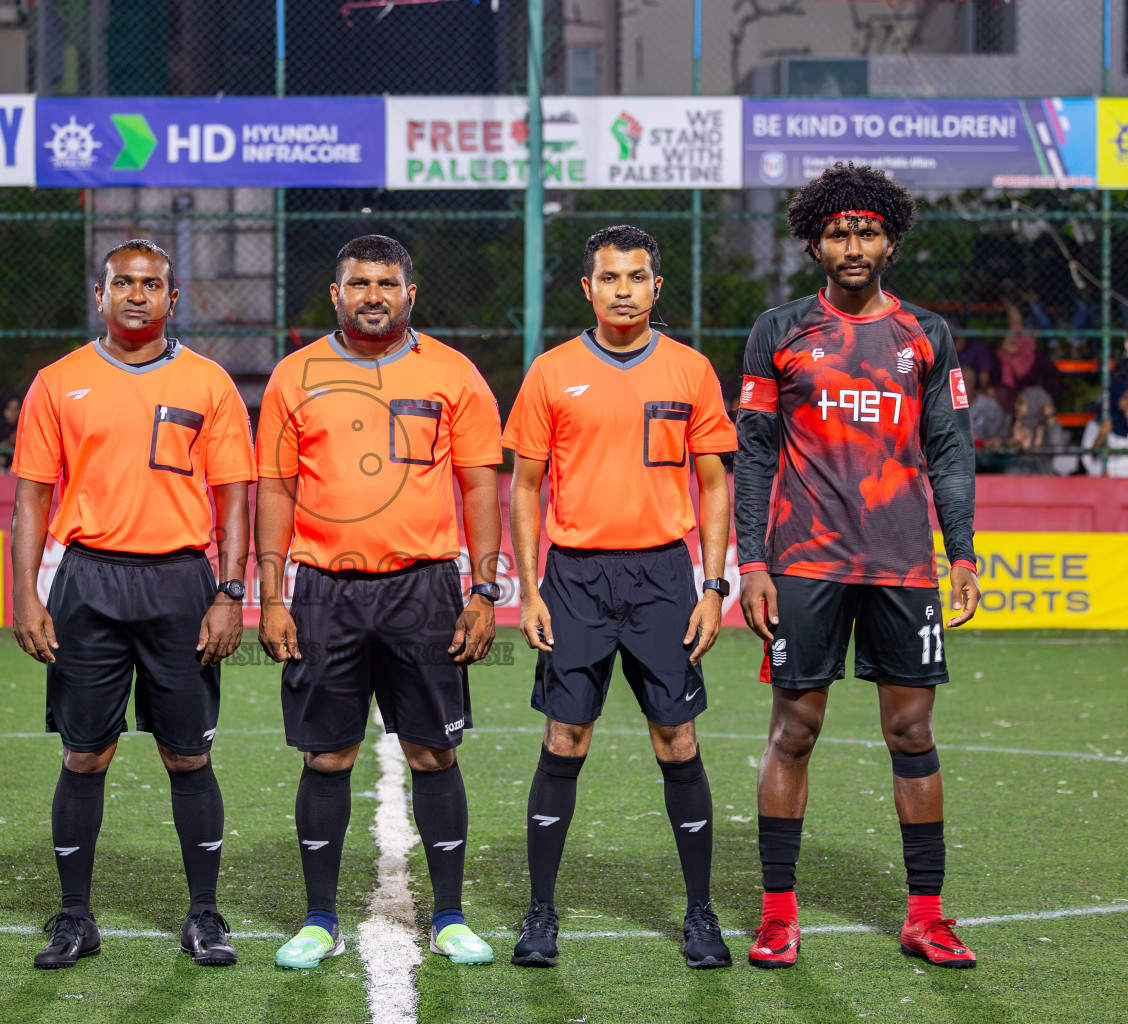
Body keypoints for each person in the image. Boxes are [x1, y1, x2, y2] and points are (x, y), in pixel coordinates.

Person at [733, 163, 982, 971]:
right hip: (805, 564)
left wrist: (964, 553)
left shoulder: (926, 336)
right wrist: (754, 562)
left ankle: (928, 916)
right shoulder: (779, 331)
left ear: (889, 239)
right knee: (794, 730)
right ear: (814, 242)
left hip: (904, 564)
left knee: (911, 731)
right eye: (837, 232)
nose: (852, 245)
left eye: (866, 231)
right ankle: (778, 916)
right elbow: (755, 457)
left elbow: (948, 451)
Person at [256, 235, 504, 969]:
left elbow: (481, 484)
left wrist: (485, 589)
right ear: (336, 294)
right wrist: (271, 595)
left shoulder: (453, 373)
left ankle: (450, 917)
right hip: (324, 590)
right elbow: (275, 487)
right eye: (359, 283)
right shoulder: (295, 376)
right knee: (327, 754)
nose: (373, 295)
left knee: (433, 750)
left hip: (423, 588)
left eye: (387, 283)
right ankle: (319, 919)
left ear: (410, 294)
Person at [10, 239, 254, 970]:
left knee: (188, 754)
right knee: (84, 754)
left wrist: (230, 589)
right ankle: (75, 918)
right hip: (88, 582)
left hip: (181, 581)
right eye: (124, 283)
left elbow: (233, 495)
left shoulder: (209, 383)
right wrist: (25, 591)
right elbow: (30, 496)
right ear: (100, 294)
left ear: (172, 299)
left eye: (152, 285)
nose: (138, 295)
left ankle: (205, 915)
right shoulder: (59, 382)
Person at [501, 225, 737, 971]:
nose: (624, 289)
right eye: (610, 278)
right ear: (588, 288)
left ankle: (700, 915)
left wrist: (713, 584)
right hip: (575, 579)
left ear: (656, 287)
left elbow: (712, 483)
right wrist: (530, 587)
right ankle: (541, 914)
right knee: (565, 739)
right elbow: (527, 487)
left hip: (666, 578)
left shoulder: (692, 371)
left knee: (678, 740)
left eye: (637, 276)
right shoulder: (551, 373)